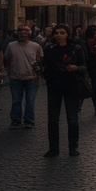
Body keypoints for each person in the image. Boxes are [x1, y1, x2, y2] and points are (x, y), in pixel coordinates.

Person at [40, 25, 86, 157]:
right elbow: (44, 66)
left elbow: (84, 67)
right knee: (53, 119)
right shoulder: (49, 49)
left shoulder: (76, 49)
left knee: (72, 118)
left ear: (67, 34)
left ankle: (73, 146)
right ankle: (53, 148)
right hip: (54, 86)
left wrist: (75, 68)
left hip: (71, 86)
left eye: (62, 33)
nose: (59, 35)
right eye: (57, 33)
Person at [4, 25, 44, 128]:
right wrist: (8, 72)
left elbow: (40, 61)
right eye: (20, 31)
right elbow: (7, 59)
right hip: (15, 77)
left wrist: (38, 74)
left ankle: (29, 120)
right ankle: (16, 120)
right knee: (16, 100)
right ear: (17, 33)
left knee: (30, 100)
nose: (23, 33)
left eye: (25, 31)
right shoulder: (11, 46)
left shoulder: (36, 46)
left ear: (29, 33)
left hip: (31, 78)